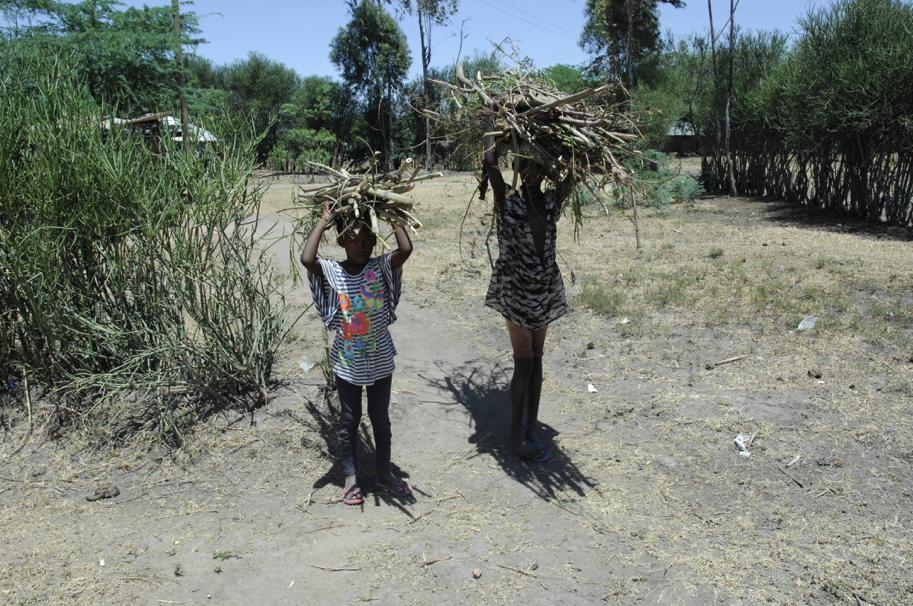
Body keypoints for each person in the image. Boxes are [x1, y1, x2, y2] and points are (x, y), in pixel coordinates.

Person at [301, 203, 413, 505]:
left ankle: (384, 473)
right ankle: (350, 477)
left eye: (367, 239)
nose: (361, 245)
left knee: (381, 419)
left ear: (376, 240)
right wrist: (324, 221)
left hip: (380, 361)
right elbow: (307, 258)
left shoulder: (381, 267)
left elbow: (405, 249)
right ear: (341, 241)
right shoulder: (333, 272)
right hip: (347, 363)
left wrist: (391, 215)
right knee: (350, 419)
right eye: (353, 238)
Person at [482, 134, 570, 463]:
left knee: (538, 357)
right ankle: (515, 436)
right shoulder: (508, 199)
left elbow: (575, 168)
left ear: (547, 171)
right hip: (515, 287)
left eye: (540, 167)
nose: (533, 173)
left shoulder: (550, 203)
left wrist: (562, 153)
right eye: (527, 166)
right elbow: (490, 163)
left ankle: (531, 428)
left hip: (545, 287)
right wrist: (492, 115)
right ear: (518, 167)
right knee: (524, 360)